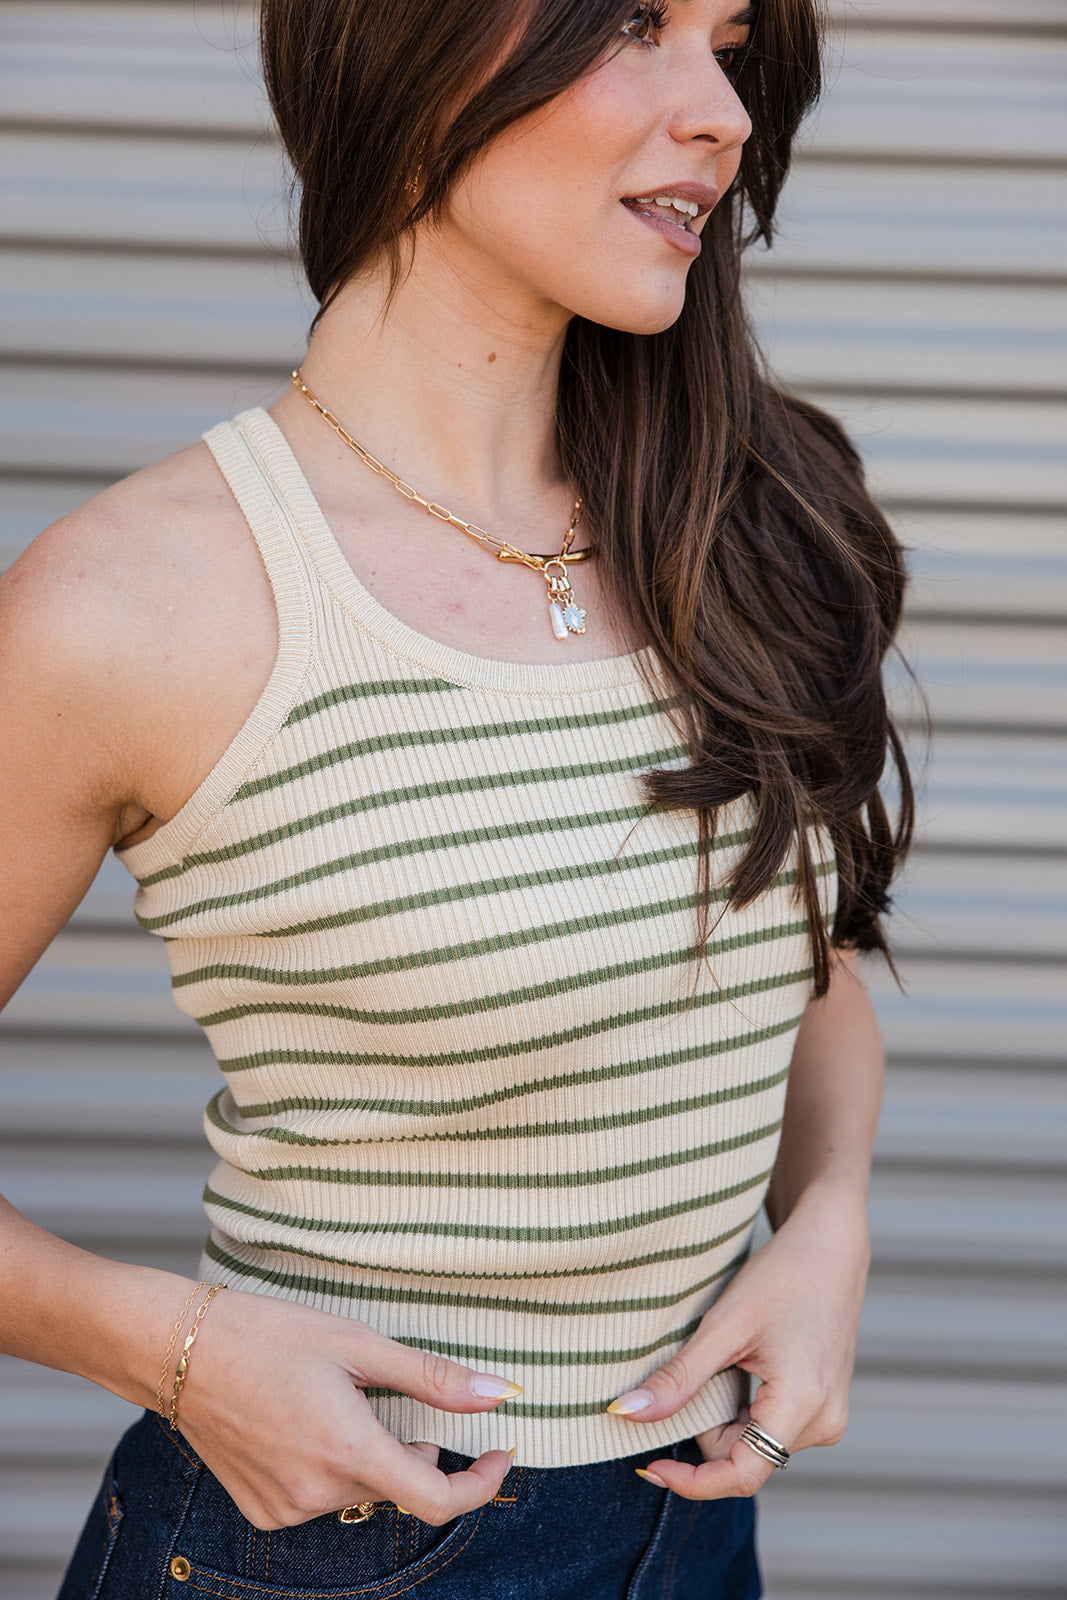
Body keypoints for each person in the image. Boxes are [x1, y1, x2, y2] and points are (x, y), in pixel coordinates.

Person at [0, 0, 913, 1594]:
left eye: (731, 43)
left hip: (690, 1534)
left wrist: (828, 1220)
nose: (725, 113)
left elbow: (801, 965)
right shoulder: (137, 604)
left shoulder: (740, 521)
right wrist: (177, 1349)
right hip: (327, 1546)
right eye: (640, 22)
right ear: (406, 46)